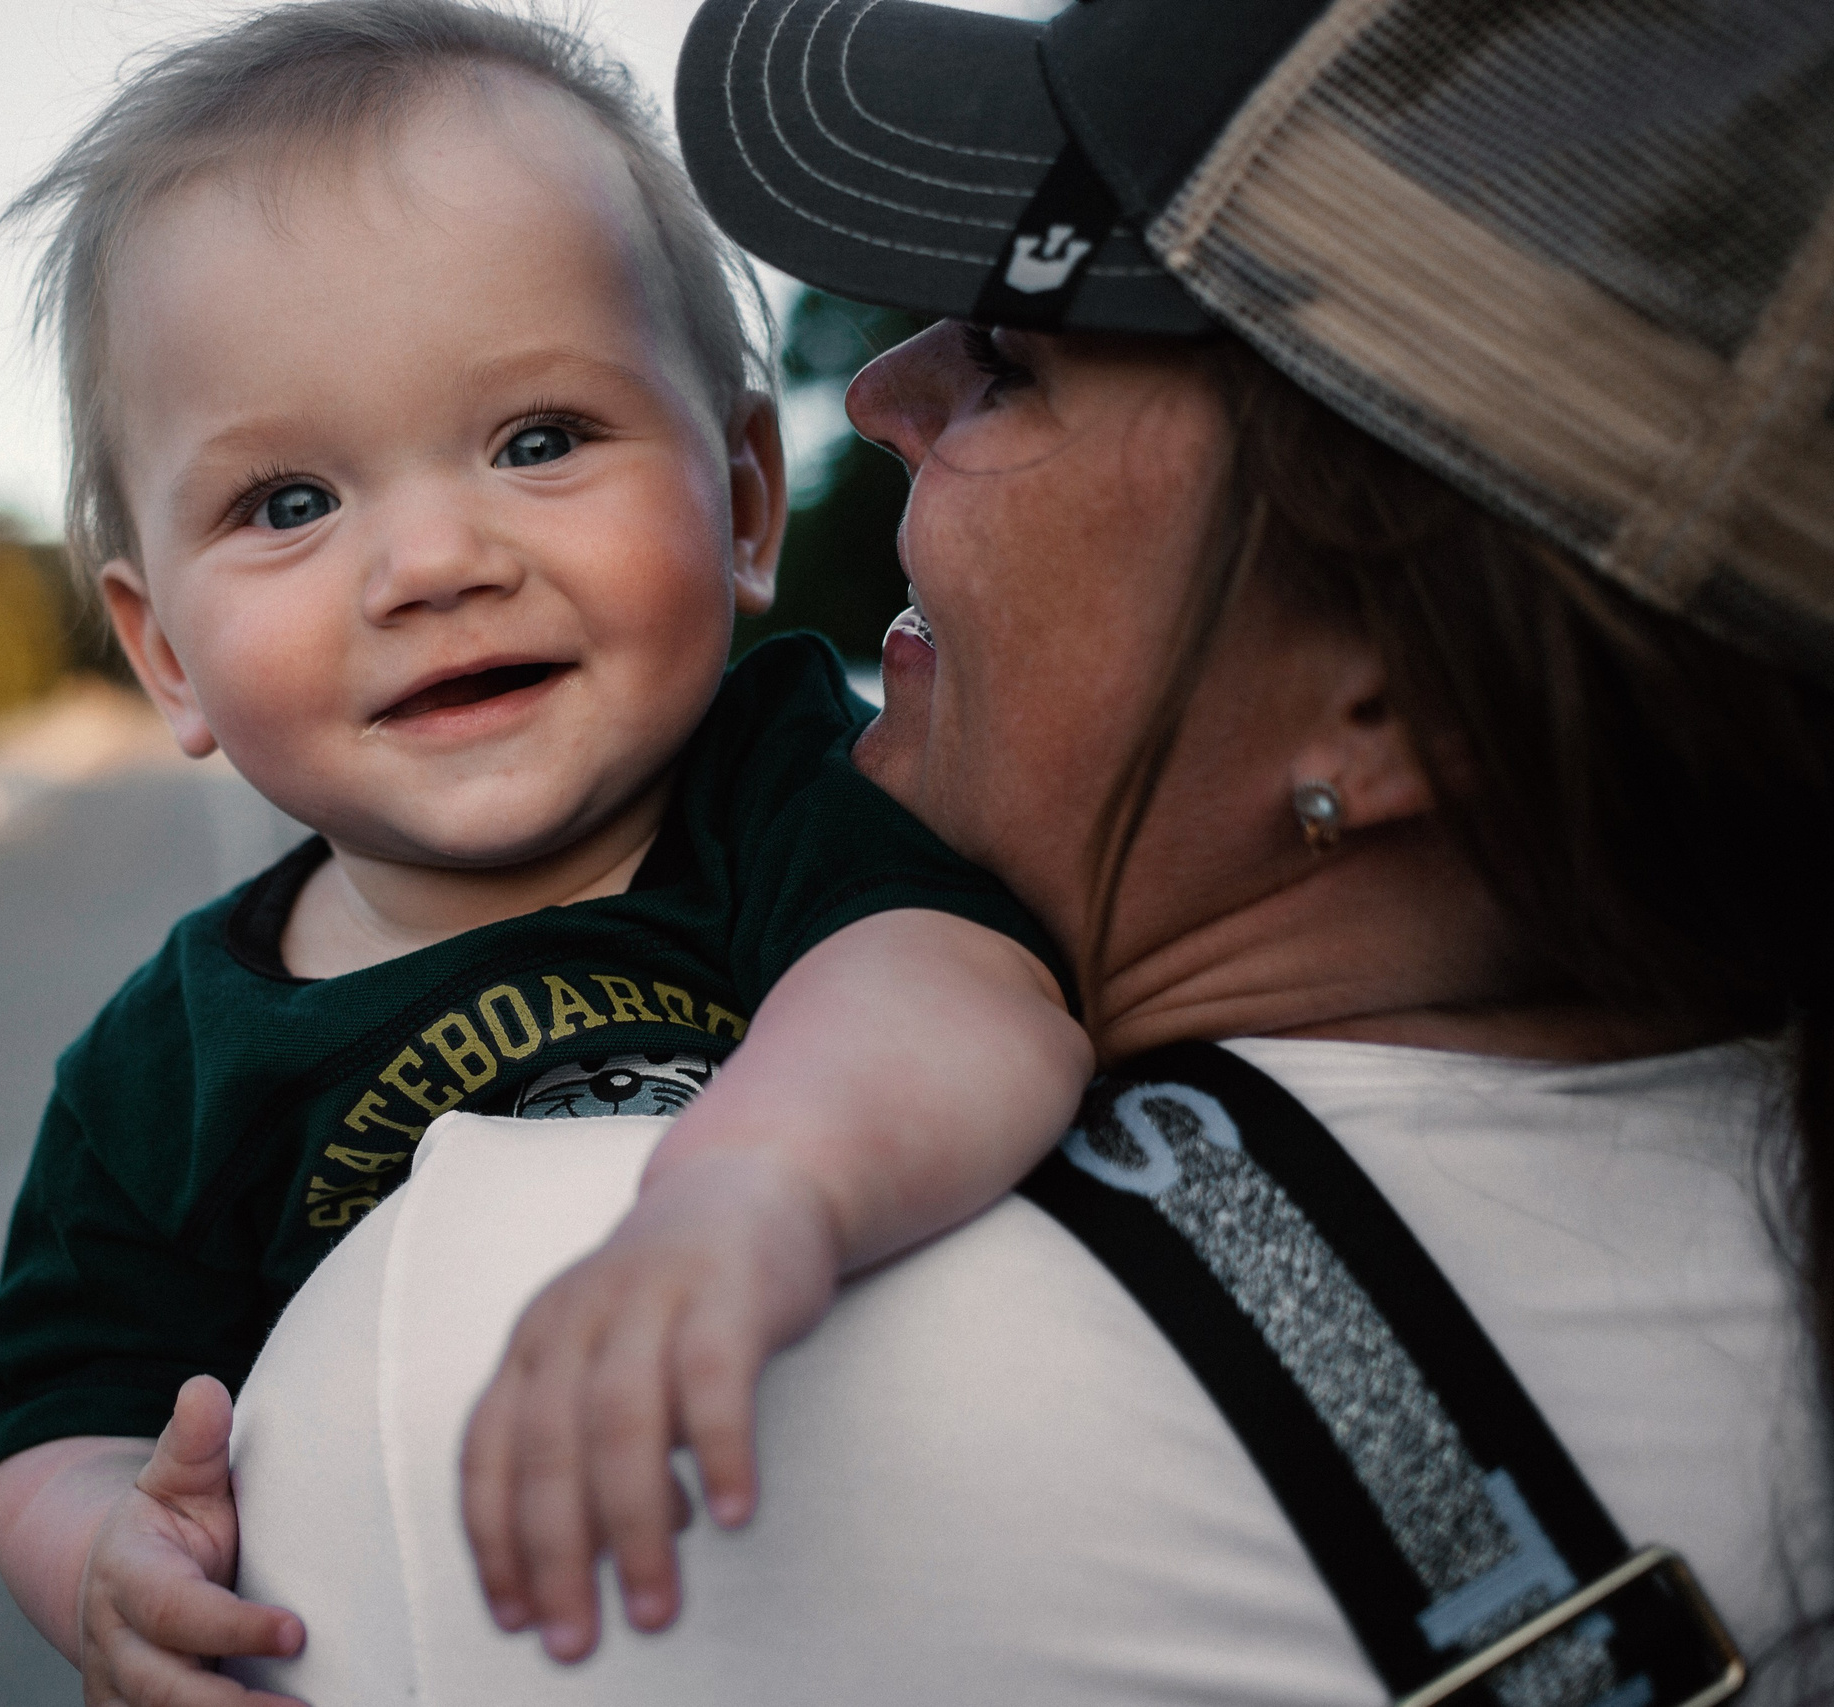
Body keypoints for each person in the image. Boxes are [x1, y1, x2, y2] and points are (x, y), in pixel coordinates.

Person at [219, 0, 1834, 1700]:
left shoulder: (517, 1348)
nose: (888, 390)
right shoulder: (1765, 1290)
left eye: (1010, 358)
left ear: (1396, 704)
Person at [0, 5, 1101, 1701]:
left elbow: (958, 992)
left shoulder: (779, 795)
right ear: (165, 653)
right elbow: (62, 1413)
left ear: (744, 502)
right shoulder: (162, 1070)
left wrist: (757, 1185)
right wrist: (107, 1563)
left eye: (539, 441)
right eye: (288, 503)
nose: (432, 561)